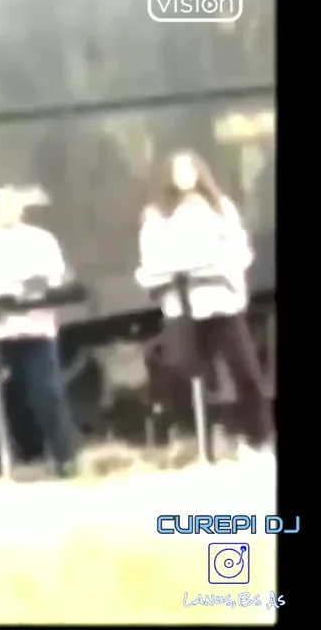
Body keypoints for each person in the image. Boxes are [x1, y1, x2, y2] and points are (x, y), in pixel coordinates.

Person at [135, 150, 273, 462]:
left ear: (200, 172)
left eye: (189, 169)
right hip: (182, 307)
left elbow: (240, 250)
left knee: (245, 371)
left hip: (220, 302)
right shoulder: (157, 215)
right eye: (177, 170)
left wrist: (220, 267)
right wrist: (170, 273)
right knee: (183, 375)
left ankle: (258, 438)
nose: (184, 175)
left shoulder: (220, 207)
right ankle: (206, 438)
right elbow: (151, 259)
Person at [0, 189, 81, 479]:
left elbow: (54, 281)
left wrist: (30, 295)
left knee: (46, 392)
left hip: (35, 331)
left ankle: (65, 457)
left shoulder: (41, 241)